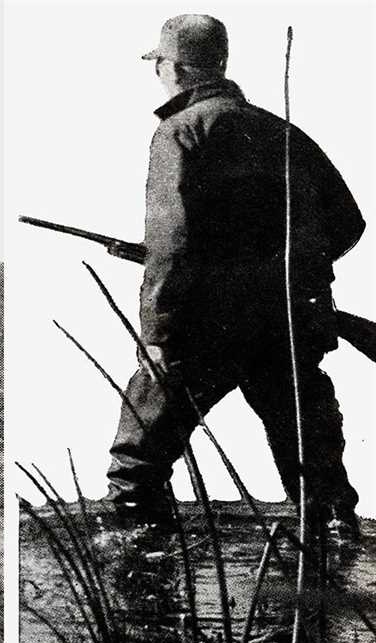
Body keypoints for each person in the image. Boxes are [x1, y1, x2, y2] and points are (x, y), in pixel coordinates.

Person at [105, 15, 366, 537]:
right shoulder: (282, 130)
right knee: (317, 471)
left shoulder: (180, 131)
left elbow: (173, 246)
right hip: (286, 325)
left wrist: (157, 336)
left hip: (204, 329)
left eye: (158, 63)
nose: (158, 72)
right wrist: (278, 272)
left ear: (175, 67)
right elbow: (347, 222)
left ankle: (137, 578)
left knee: (138, 468)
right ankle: (335, 566)